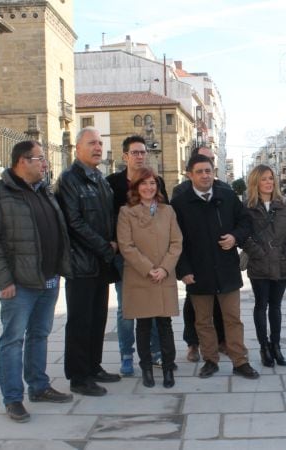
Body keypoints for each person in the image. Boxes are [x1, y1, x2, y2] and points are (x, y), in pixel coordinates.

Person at [0, 140, 73, 423]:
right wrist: (3, 281)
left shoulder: (44, 191)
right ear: (22, 161)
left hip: (49, 279)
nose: (45, 164)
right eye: (40, 159)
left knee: (40, 335)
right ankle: (13, 398)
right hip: (18, 284)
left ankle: (39, 386)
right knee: (12, 340)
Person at [172, 153, 259, 379]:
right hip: (197, 272)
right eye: (199, 171)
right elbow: (174, 240)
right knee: (203, 321)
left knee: (233, 318)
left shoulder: (228, 196)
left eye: (208, 171)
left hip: (226, 269)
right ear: (189, 175)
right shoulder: (179, 203)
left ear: (214, 172)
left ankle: (240, 361)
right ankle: (210, 360)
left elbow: (246, 222)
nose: (205, 175)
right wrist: (183, 271)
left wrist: (235, 237)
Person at [54, 127, 122, 396]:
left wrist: (112, 244)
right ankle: (78, 377)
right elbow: (74, 223)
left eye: (100, 143)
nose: (98, 147)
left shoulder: (100, 179)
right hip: (82, 263)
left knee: (98, 319)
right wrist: (105, 246)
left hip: (101, 263)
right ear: (78, 148)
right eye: (92, 143)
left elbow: (109, 217)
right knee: (80, 322)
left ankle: (94, 367)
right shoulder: (69, 179)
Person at [106, 135, 168, 376]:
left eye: (143, 152)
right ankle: (126, 355)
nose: (140, 156)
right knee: (126, 309)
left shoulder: (156, 181)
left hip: (153, 255)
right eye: (135, 152)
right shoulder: (112, 183)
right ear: (125, 156)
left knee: (152, 305)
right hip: (126, 255)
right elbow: (108, 216)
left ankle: (154, 352)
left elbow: (165, 214)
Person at [117, 167, 182, 388]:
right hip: (140, 277)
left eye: (152, 183)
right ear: (136, 187)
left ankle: (168, 369)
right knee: (143, 326)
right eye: (143, 183)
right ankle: (146, 368)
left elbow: (176, 243)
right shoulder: (127, 212)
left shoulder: (167, 211)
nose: (148, 187)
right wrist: (148, 268)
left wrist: (164, 268)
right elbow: (126, 246)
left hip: (164, 276)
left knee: (165, 325)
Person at [171, 145, 227, 363]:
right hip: (194, 259)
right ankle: (193, 344)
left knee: (221, 304)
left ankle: (221, 342)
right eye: (203, 160)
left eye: (211, 161)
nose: (207, 167)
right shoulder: (181, 192)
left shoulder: (223, 189)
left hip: (219, 259)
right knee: (192, 306)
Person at [242, 165, 286, 367]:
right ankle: (264, 346)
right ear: (255, 182)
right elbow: (244, 236)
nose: (268, 182)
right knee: (261, 305)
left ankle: (276, 346)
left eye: (271, 178)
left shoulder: (284, 205)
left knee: (276, 306)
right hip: (258, 266)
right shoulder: (248, 208)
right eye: (264, 179)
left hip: (281, 264)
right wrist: (258, 253)